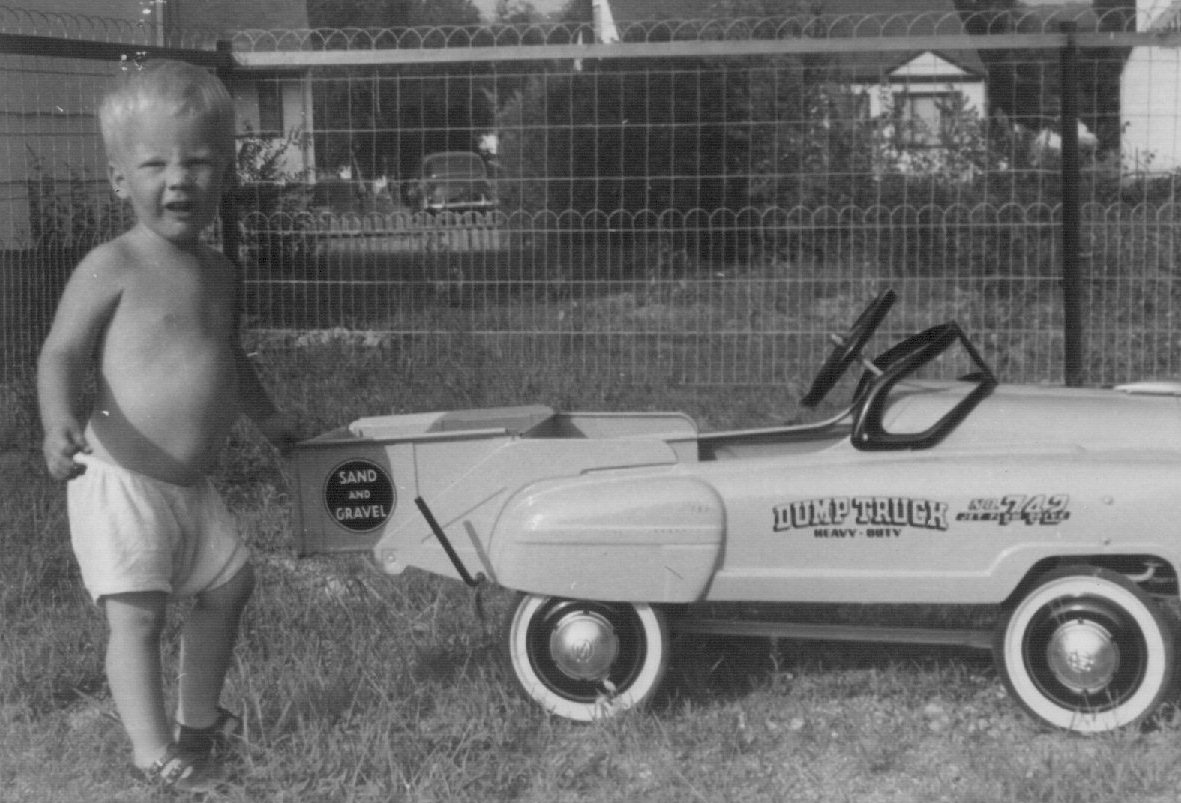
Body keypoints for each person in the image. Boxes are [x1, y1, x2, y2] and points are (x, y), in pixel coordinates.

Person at [37, 59, 297, 793]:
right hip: (120, 479)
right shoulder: (113, 263)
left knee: (231, 584)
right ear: (120, 179)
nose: (179, 179)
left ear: (226, 174)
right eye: (155, 164)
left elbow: (227, 355)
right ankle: (151, 750)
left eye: (199, 162)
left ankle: (198, 719)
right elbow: (61, 352)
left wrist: (269, 418)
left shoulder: (220, 271)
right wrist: (57, 422)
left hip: (189, 485)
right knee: (139, 618)